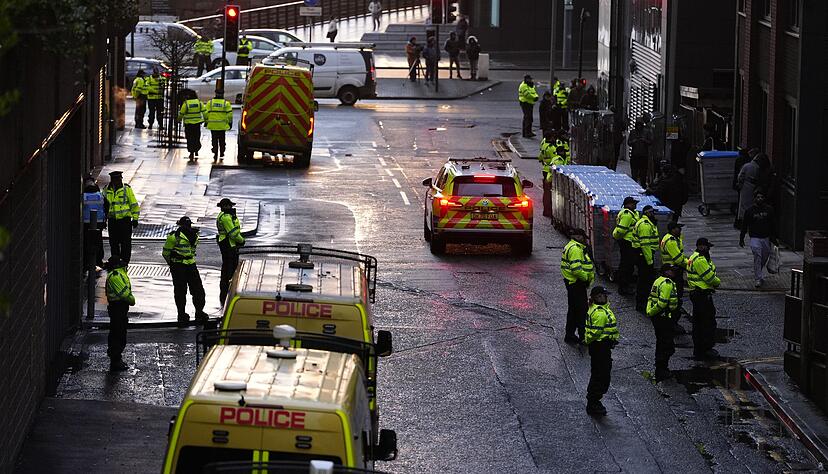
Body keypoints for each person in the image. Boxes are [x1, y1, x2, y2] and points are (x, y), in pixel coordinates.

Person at [163, 216, 208, 325]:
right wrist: (173, 264)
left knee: (198, 290)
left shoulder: (195, 236)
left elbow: (166, 254)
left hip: (190, 265)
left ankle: (199, 312)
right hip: (179, 266)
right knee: (181, 291)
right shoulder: (174, 237)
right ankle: (182, 314)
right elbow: (165, 253)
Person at [584, 285, 618, 416]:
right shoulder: (599, 313)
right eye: (602, 295)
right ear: (597, 297)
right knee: (600, 374)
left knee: (600, 373)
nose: (605, 297)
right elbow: (595, 333)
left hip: (601, 347)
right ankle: (593, 402)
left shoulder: (601, 309)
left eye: (605, 295)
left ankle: (594, 401)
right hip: (600, 347)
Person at [687, 238, 721, 359]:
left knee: (699, 323)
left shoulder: (694, 257)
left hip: (697, 294)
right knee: (707, 322)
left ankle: (700, 348)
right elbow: (710, 277)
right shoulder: (700, 260)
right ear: (701, 247)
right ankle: (705, 348)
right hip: (702, 294)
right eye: (707, 247)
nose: (709, 250)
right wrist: (718, 282)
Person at [560, 228, 595, 344]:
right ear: (578, 237)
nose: (585, 240)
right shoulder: (576, 249)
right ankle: (581, 336)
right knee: (581, 311)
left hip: (573, 283)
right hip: (576, 283)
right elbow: (576, 270)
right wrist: (586, 279)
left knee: (574, 310)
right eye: (583, 237)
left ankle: (570, 335)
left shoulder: (574, 247)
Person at [647, 265, 679, 381]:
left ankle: (661, 368)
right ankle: (662, 370)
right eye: (671, 271)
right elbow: (662, 303)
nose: (674, 273)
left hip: (659, 317)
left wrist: (650, 312)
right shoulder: (667, 283)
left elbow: (651, 299)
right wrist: (654, 312)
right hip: (664, 317)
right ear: (666, 272)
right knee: (665, 344)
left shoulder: (658, 280)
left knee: (662, 342)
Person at [105, 254, 135, 371]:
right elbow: (124, 294)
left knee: (119, 332)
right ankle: (115, 360)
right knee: (118, 333)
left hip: (120, 308)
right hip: (118, 307)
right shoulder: (116, 276)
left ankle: (117, 358)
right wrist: (132, 300)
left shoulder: (119, 273)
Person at [104, 171, 140, 264]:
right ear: (112, 180)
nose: (118, 181)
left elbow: (134, 204)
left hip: (125, 221)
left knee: (126, 243)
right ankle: (115, 261)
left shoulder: (126, 189)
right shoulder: (106, 190)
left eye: (120, 179)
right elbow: (103, 206)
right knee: (113, 243)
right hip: (112, 221)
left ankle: (124, 262)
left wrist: (135, 218)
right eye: (116, 179)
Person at [740, 193, 775, 288]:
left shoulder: (769, 210)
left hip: (766, 237)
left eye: (762, 197)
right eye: (758, 197)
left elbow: (773, 224)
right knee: (757, 256)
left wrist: (774, 237)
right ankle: (758, 278)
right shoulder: (749, 211)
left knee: (765, 256)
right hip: (755, 237)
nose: (760, 199)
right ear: (754, 198)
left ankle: (758, 271)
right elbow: (744, 225)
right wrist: (741, 237)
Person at [217, 198, 245, 304]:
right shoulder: (226, 218)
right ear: (225, 207)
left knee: (228, 268)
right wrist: (241, 240)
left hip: (229, 243)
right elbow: (233, 233)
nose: (231, 208)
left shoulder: (227, 216)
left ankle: (226, 290)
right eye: (229, 206)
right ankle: (227, 292)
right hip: (229, 244)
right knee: (229, 269)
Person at [659, 222, 687, 331]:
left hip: (672, 270)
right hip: (673, 272)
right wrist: (690, 265)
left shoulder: (672, 238)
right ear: (672, 229)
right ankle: (672, 323)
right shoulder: (670, 241)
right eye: (678, 228)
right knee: (675, 297)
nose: (680, 230)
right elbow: (679, 259)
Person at [633, 205, 659, 313]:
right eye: (651, 212)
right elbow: (645, 245)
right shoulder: (645, 225)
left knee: (645, 280)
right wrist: (649, 261)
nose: (653, 214)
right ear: (646, 213)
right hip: (644, 255)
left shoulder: (648, 223)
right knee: (644, 280)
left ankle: (643, 302)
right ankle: (641, 303)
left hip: (643, 255)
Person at [612, 197, 639, 295]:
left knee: (627, 265)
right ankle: (623, 287)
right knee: (626, 265)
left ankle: (625, 285)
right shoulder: (627, 215)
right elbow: (621, 230)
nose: (635, 205)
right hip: (627, 242)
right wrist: (617, 237)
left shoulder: (630, 213)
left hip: (628, 242)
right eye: (633, 203)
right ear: (628, 204)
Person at [736, 152, 769, 227]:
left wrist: (740, 185)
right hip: (753, 188)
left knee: (743, 206)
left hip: (745, 187)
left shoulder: (746, 166)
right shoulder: (758, 168)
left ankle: (743, 221)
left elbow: (740, 177)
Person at [83, 177, 106, 270]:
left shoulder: (83, 196)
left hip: (86, 223)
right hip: (98, 222)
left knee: (86, 242)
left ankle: (86, 262)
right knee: (98, 242)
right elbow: (106, 206)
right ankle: (98, 261)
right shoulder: (100, 196)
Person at [203, 92, 233, 161]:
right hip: (222, 126)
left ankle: (215, 151)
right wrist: (230, 123)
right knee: (222, 139)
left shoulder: (210, 103)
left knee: (214, 139)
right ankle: (222, 151)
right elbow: (230, 115)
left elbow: (205, 113)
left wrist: (206, 121)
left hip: (212, 125)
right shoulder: (226, 103)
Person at [178, 90, 205, 161]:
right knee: (196, 137)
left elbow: (181, 113)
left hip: (188, 124)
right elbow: (204, 111)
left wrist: (178, 120)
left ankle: (191, 152)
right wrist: (206, 120)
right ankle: (196, 149)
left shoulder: (186, 104)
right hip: (197, 124)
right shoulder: (199, 103)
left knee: (189, 138)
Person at [628, 120, 651, 186]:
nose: (639, 127)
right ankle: (634, 185)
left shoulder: (646, 132)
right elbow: (629, 142)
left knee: (643, 174)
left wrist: (644, 141)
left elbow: (650, 142)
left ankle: (642, 185)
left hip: (643, 155)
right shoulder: (633, 132)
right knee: (634, 173)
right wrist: (634, 141)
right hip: (635, 155)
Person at [609, 106, 626, 171]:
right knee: (616, 154)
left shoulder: (610, 118)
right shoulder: (619, 118)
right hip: (617, 139)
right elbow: (623, 128)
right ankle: (614, 167)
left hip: (611, 140)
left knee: (611, 154)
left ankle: (611, 166)